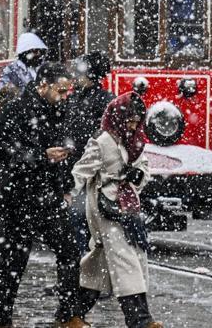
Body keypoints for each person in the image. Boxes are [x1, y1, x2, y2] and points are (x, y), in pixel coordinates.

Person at [0, 62, 88, 328]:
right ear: (42, 85)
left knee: (69, 251)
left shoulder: (59, 109)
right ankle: (2, 317)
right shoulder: (16, 110)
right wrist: (40, 157)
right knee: (14, 260)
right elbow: (2, 151)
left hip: (48, 195)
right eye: (60, 90)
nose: (64, 95)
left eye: (67, 91)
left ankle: (69, 314)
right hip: (19, 196)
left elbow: (69, 140)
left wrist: (64, 170)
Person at [70, 93, 162, 328]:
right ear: (118, 116)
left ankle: (73, 314)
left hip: (128, 208)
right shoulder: (103, 142)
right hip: (106, 209)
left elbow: (144, 169)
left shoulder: (137, 141)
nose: (133, 125)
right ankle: (139, 320)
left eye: (137, 120)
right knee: (127, 262)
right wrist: (66, 195)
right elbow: (80, 171)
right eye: (129, 119)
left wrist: (138, 176)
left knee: (99, 265)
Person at [63, 51, 114, 254]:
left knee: (80, 221)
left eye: (80, 73)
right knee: (79, 221)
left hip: (88, 168)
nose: (76, 78)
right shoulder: (78, 98)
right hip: (79, 166)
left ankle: (81, 274)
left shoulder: (101, 101)